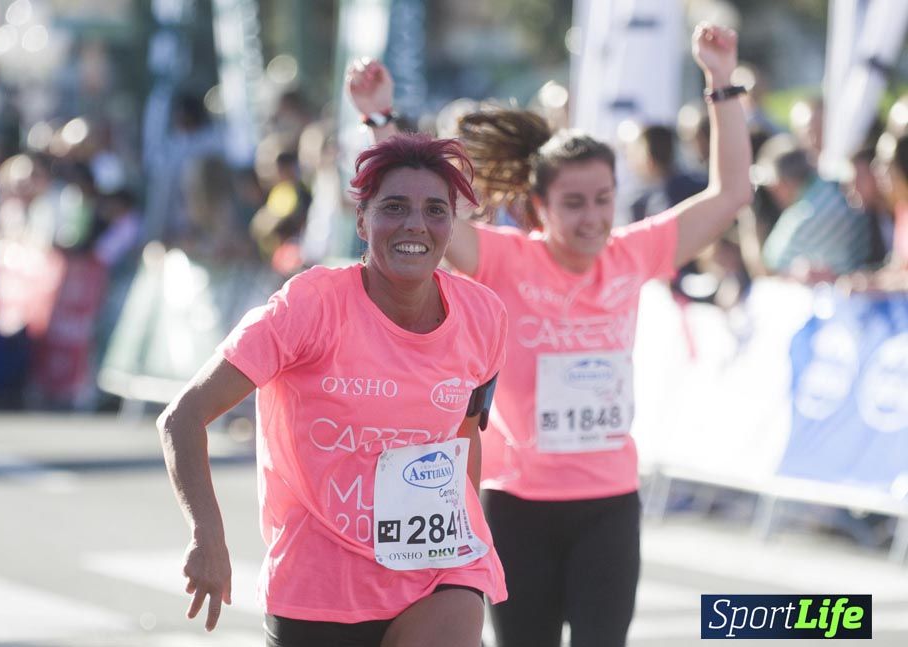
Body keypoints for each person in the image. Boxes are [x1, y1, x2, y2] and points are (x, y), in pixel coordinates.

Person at [348, 23, 752, 647]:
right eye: (574, 203)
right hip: (517, 505)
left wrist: (721, 82)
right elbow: (429, 216)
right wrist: (380, 120)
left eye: (603, 199)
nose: (593, 218)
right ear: (540, 207)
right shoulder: (507, 259)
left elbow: (731, 195)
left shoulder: (632, 254)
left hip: (609, 504)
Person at [157, 133, 509, 647]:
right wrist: (207, 535)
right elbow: (182, 418)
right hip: (318, 584)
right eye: (394, 207)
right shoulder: (309, 306)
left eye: (435, 210)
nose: (415, 224)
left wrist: (468, 533)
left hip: (437, 571)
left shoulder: (483, 315)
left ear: (451, 225)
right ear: (362, 221)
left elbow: (465, 435)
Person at [755, 134, 873, 281]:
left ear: (782, 183)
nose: (773, 193)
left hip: (850, 285)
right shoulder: (834, 185)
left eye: (772, 187)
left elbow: (768, 267)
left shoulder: (803, 214)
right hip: (859, 278)